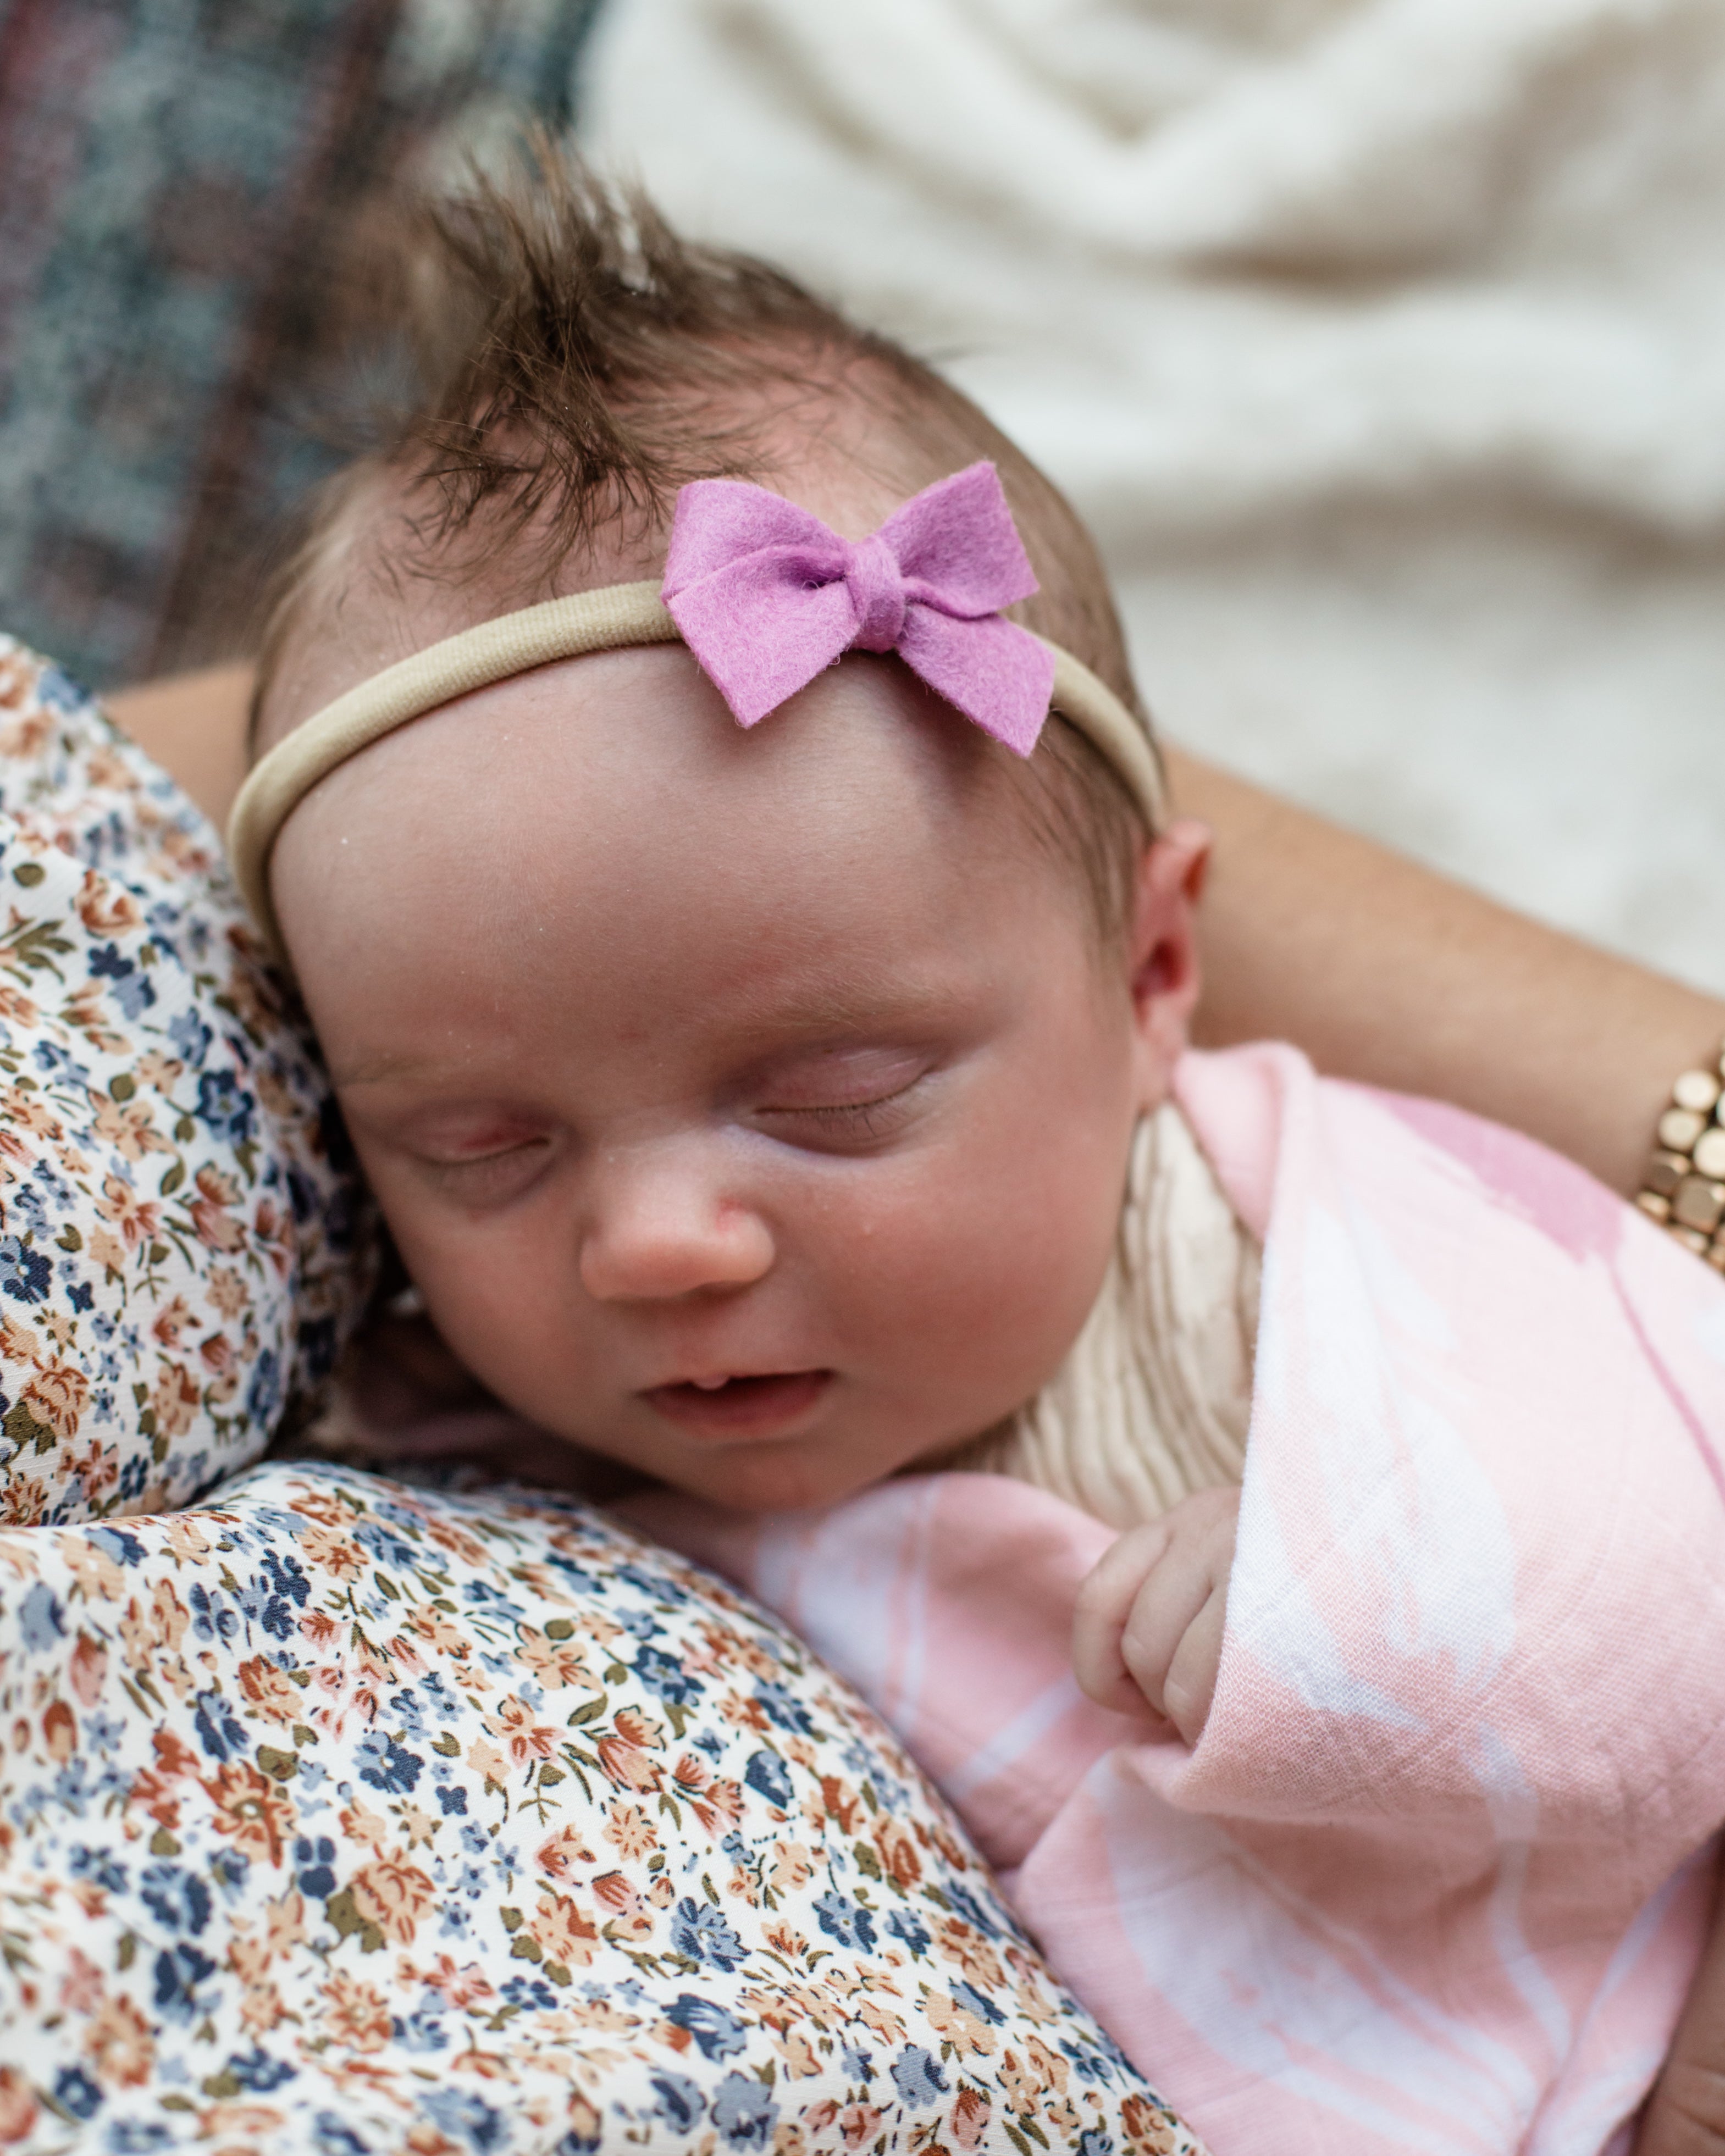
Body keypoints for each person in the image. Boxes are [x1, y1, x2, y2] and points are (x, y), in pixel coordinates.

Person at [111, 157, 1725, 2155]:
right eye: (486, 1142)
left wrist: (1367, 1570)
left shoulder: (1276, 1236)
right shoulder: (464, 1444)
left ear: (1149, 976)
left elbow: (1676, 1468)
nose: (661, 1243)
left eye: (830, 1095)